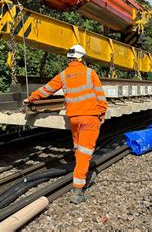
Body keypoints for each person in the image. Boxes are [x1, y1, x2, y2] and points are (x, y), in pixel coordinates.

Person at [24, 44, 107, 204]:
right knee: (85, 153)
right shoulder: (90, 73)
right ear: (81, 58)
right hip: (90, 117)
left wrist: (31, 98)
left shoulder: (63, 75)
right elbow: (101, 97)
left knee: (79, 150)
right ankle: (78, 191)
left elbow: (47, 90)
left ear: (69, 59)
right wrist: (101, 115)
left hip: (74, 119)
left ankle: (82, 173)